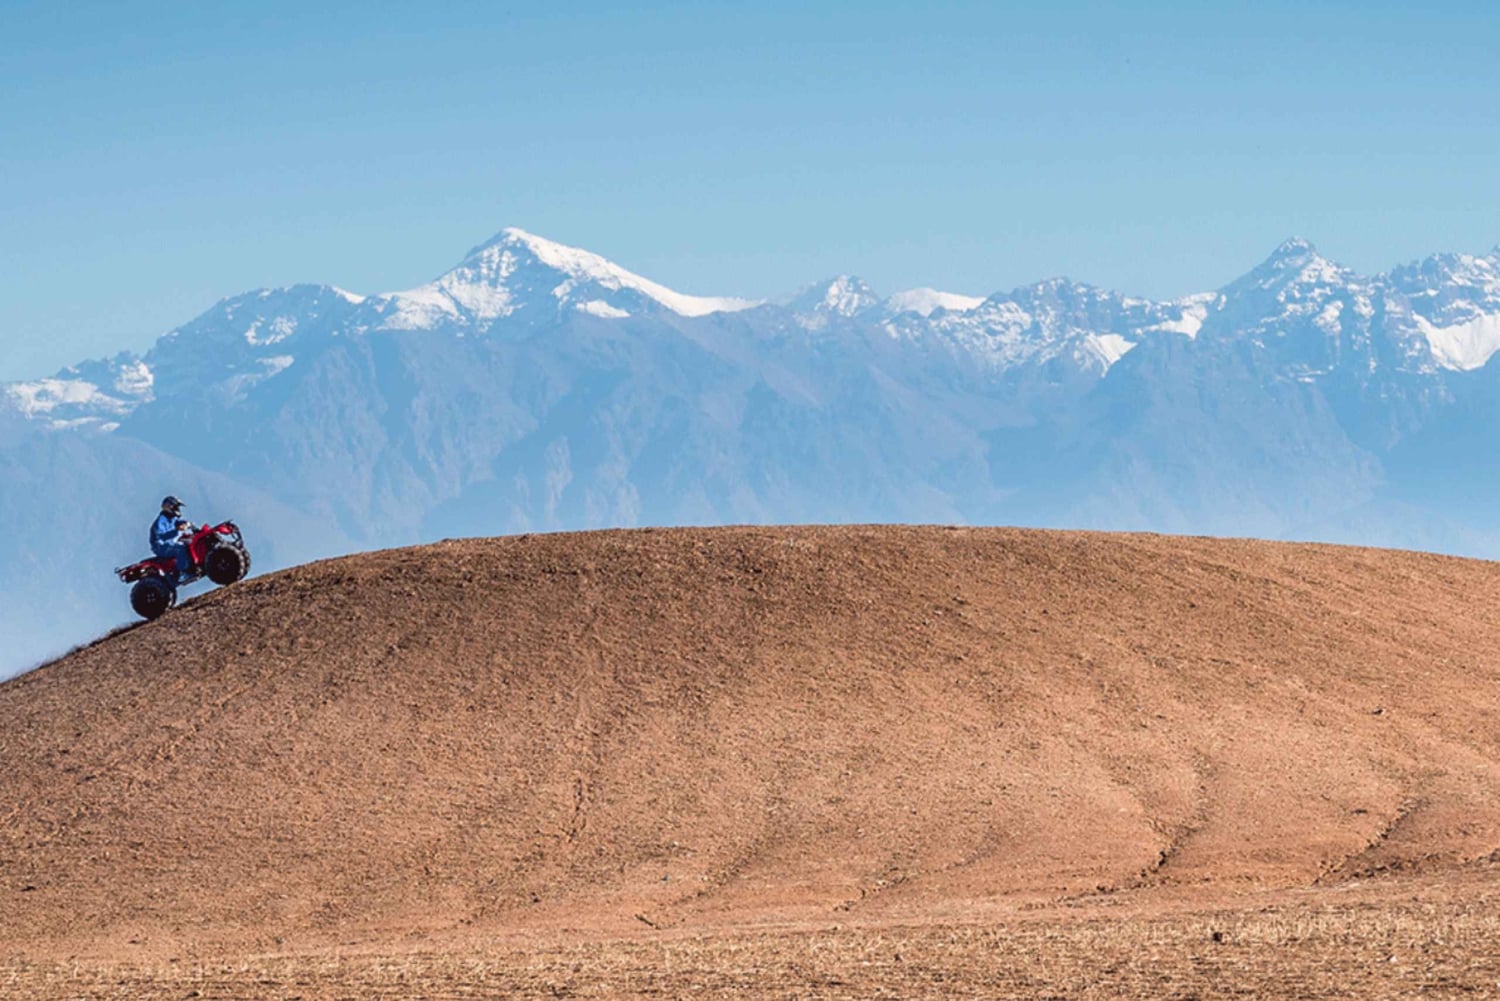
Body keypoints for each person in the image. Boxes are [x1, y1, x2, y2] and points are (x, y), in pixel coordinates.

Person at [150, 495, 192, 585]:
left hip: (171, 543)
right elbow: (161, 536)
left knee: (190, 542)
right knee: (180, 549)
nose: (177, 509)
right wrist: (177, 530)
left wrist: (187, 524)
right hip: (161, 546)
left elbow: (178, 522)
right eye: (176, 507)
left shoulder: (172, 518)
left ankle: (192, 567)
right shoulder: (161, 521)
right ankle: (182, 573)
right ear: (169, 507)